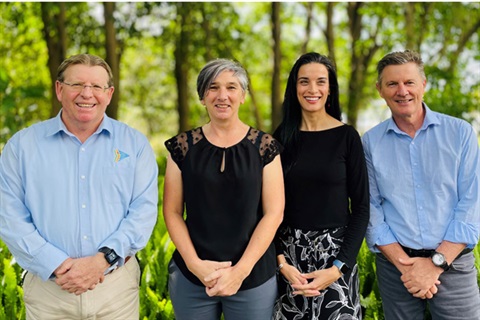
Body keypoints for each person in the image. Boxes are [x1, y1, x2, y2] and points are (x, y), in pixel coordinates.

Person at [0, 54, 159, 319]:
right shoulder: (22, 147)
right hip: (48, 290)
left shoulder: (135, 145)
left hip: (115, 289)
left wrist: (101, 262)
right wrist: (59, 266)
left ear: (108, 94)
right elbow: (9, 216)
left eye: (97, 87)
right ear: (59, 89)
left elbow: (143, 212)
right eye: (77, 85)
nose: (87, 94)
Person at [362, 50, 480, 319]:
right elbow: (371, 208)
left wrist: (435, 264)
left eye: (409, 82)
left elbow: (471, 203)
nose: (402, 91)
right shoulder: (370, 142)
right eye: (392, 84)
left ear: (423, 84)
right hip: (396, 269)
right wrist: (407, 267)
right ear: (380, 90)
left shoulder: (460, 133)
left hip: (455, 264)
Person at [163, 58, 284, 320]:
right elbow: (172, 212)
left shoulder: (265, 147)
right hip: (192, 278)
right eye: (213, 87)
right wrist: (196, 266)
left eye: (231, 87)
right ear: (202, 96)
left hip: (252, 277)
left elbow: (274, 213)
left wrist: (240, 271)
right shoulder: (181, 148)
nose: (222, 96)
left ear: (242, 95)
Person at [272, 52, 370, 319]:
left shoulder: (347, 137)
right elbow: (267, 209)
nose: (312, 89)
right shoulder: (279, 138)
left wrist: (338, 268)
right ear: (294, 88)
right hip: (290, 263)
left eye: (320, 82)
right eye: (304, 81)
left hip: (336, 259)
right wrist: (281, 264)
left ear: (330, 89)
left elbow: (361, 208)